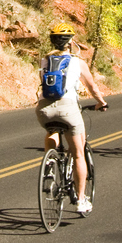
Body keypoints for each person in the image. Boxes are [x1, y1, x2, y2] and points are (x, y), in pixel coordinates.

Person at [35, 21, 107, 215]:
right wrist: (101, 102)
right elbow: (92, 87)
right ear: (70, 42)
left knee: (52, 129)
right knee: (78, 154)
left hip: (43, 110)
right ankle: (81, 200)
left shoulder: (44, 60)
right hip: (68, 109)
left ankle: (49, 164)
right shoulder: (78, 62)